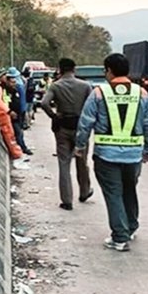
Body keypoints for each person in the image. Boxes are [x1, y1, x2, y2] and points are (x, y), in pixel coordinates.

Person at [75, 53, 148, 251]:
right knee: (129, 190)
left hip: (106, 155)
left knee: (113, 193)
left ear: (109, 71)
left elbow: (86, 122)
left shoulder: (98, 93)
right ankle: (130, 227)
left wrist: (80, 145)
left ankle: (120, 237)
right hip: (133, 155)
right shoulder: (141, 93)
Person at [41, 58, 94, 210]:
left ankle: (67, 200)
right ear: (74, 69)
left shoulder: (56, 86)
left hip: (62, 128)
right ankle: (84, 191)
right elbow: (92, 107)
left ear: (60, 69)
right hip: (80, 128)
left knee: (64, 164)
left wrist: (54, 116)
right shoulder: (85, 86)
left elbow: (44, 103)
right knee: (82, 161)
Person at [5, 67, 32, 155]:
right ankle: (22, 148)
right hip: (14, 113)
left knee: (19, 131)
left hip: (19, 112)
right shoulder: (8, 90)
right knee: (18, 132)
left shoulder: (18, 86)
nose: (15, 82)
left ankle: (21, 147)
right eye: (12, 81)